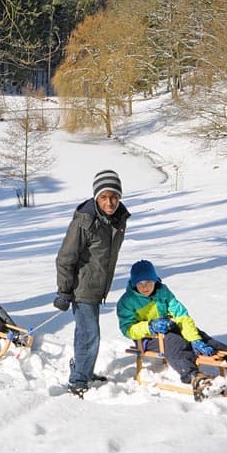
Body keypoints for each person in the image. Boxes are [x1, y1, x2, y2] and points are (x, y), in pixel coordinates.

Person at [54, 169, 130, 396]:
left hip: (97, 287)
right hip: (82, 288)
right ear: (96, 197)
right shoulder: (84, 222)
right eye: (104, 197)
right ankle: (78, 381)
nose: (110, 202)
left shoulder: (116, 220)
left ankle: (83, 371)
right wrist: (64, 290)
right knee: (90, 334)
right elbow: (65, 257)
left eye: (114, 197)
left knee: (86, 333)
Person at [116, 260, 227, 400]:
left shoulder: (163, 292)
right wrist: (149, 326)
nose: (145, 287)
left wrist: (195, 340)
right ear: (134, 283)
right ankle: (194, 376)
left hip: (170, 328)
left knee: (202, 336)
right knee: (176, 342)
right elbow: (127, 328)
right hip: (147, 338)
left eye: (149, 282)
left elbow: (182, 316)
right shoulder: (127, 301)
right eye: (140, 284)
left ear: (155, 280)